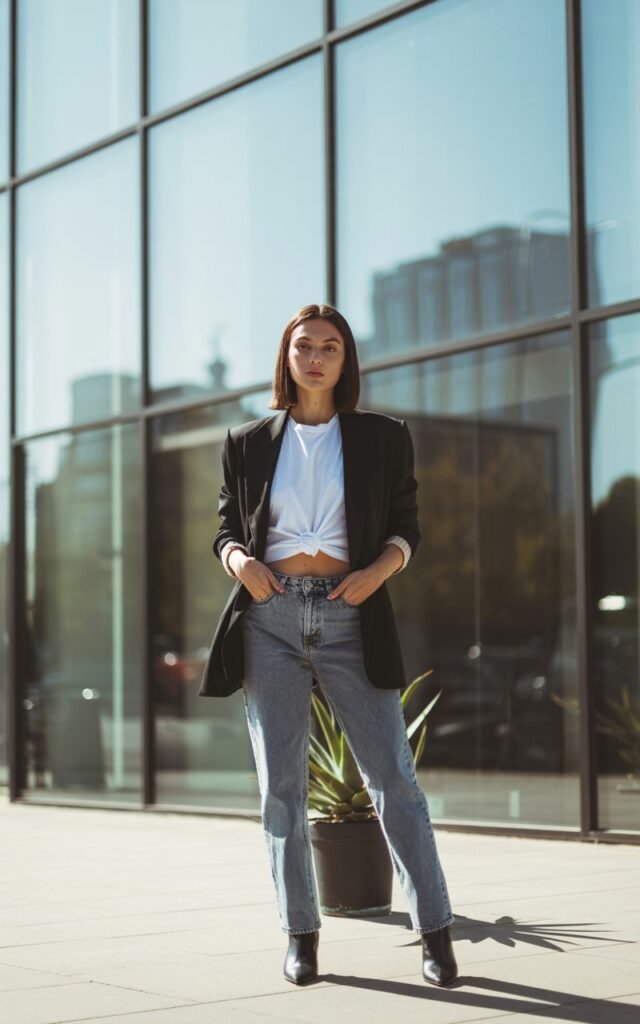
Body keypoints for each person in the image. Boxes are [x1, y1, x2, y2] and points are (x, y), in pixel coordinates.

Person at [198, 303, 458, 988]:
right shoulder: (247, 441)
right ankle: (301, 936)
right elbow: (225, 527)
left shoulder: (382, 437)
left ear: (346, 360)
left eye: (330, 347)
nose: (315, 358)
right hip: (270, 617)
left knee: (393, 781)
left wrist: (377, 573)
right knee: (281, 789)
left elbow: (406, 526)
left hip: (351, 614)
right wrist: (239, 563)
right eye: (303, 346)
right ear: (286, 357)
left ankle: (436, 933)